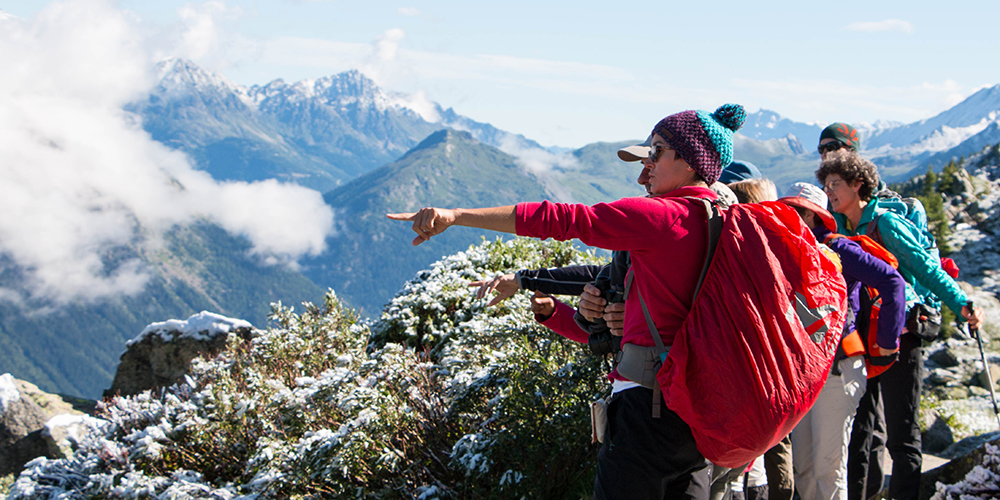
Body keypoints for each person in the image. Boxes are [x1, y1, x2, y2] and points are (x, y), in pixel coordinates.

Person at [389, 103, 749, 500]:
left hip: (647, 404)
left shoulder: (663, 217)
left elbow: (562, 218)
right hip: (700, 410)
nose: (643, 170)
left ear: (691, 160)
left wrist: (457, 215)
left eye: (656, 153)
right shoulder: (724, 218)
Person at [815, 149, 984, 500]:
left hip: (900, 336)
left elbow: (926, 269)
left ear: (858, 184)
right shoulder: (840, 226)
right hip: (862, 335)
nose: (829, 191)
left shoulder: (888, 224)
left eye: (835, 184)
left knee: (901, 433)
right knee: (860, 430)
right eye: (826, 185)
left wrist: (963, 304)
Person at [777, 182, 906, 500]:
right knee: (803, 467)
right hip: (804, 370)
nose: (785, 217)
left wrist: (889, 342)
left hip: (839, 367)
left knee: (827, 466)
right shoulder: (784, 248)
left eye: (794, 211)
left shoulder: (839, 248)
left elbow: (893, 282)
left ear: (812, 215)